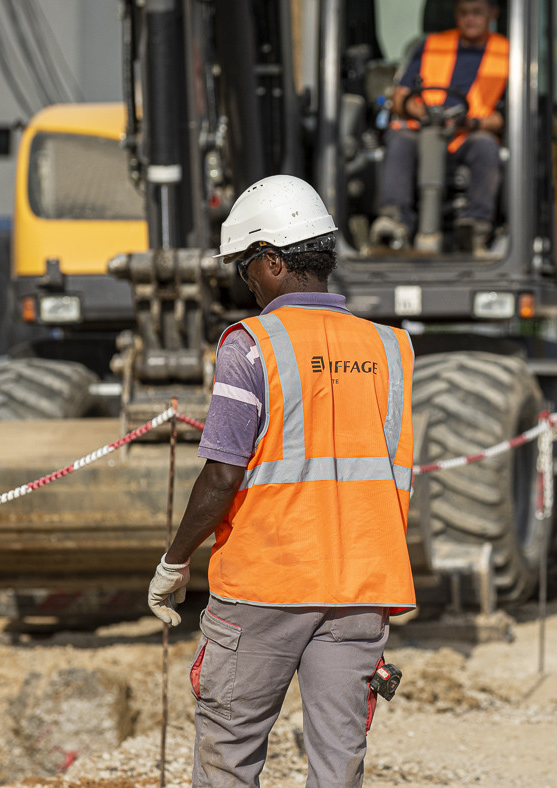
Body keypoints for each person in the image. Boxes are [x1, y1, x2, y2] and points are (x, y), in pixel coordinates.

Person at [146, 174, 417, 787]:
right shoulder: (390, 349)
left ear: (271, 261)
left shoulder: (251, 346)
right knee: (336, 764)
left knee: (229, 758)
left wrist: (175, 560)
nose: (246, 281)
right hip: (360, 587)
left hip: (264, 585)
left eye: (246, 267)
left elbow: (222, 474)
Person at [369, 0, 508, 254]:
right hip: (422, 131)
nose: (470, 19)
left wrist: (473, 123)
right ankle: (394, 220)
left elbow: (504, 116)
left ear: (493, 13)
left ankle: (476, 228)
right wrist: (421, 112)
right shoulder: (431, 46)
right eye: (464, 13)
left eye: (477, 13)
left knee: (487, 148)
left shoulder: (507, 53)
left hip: (468, 135)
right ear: (456, 14)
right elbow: (400, 96)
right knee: (398, 139)